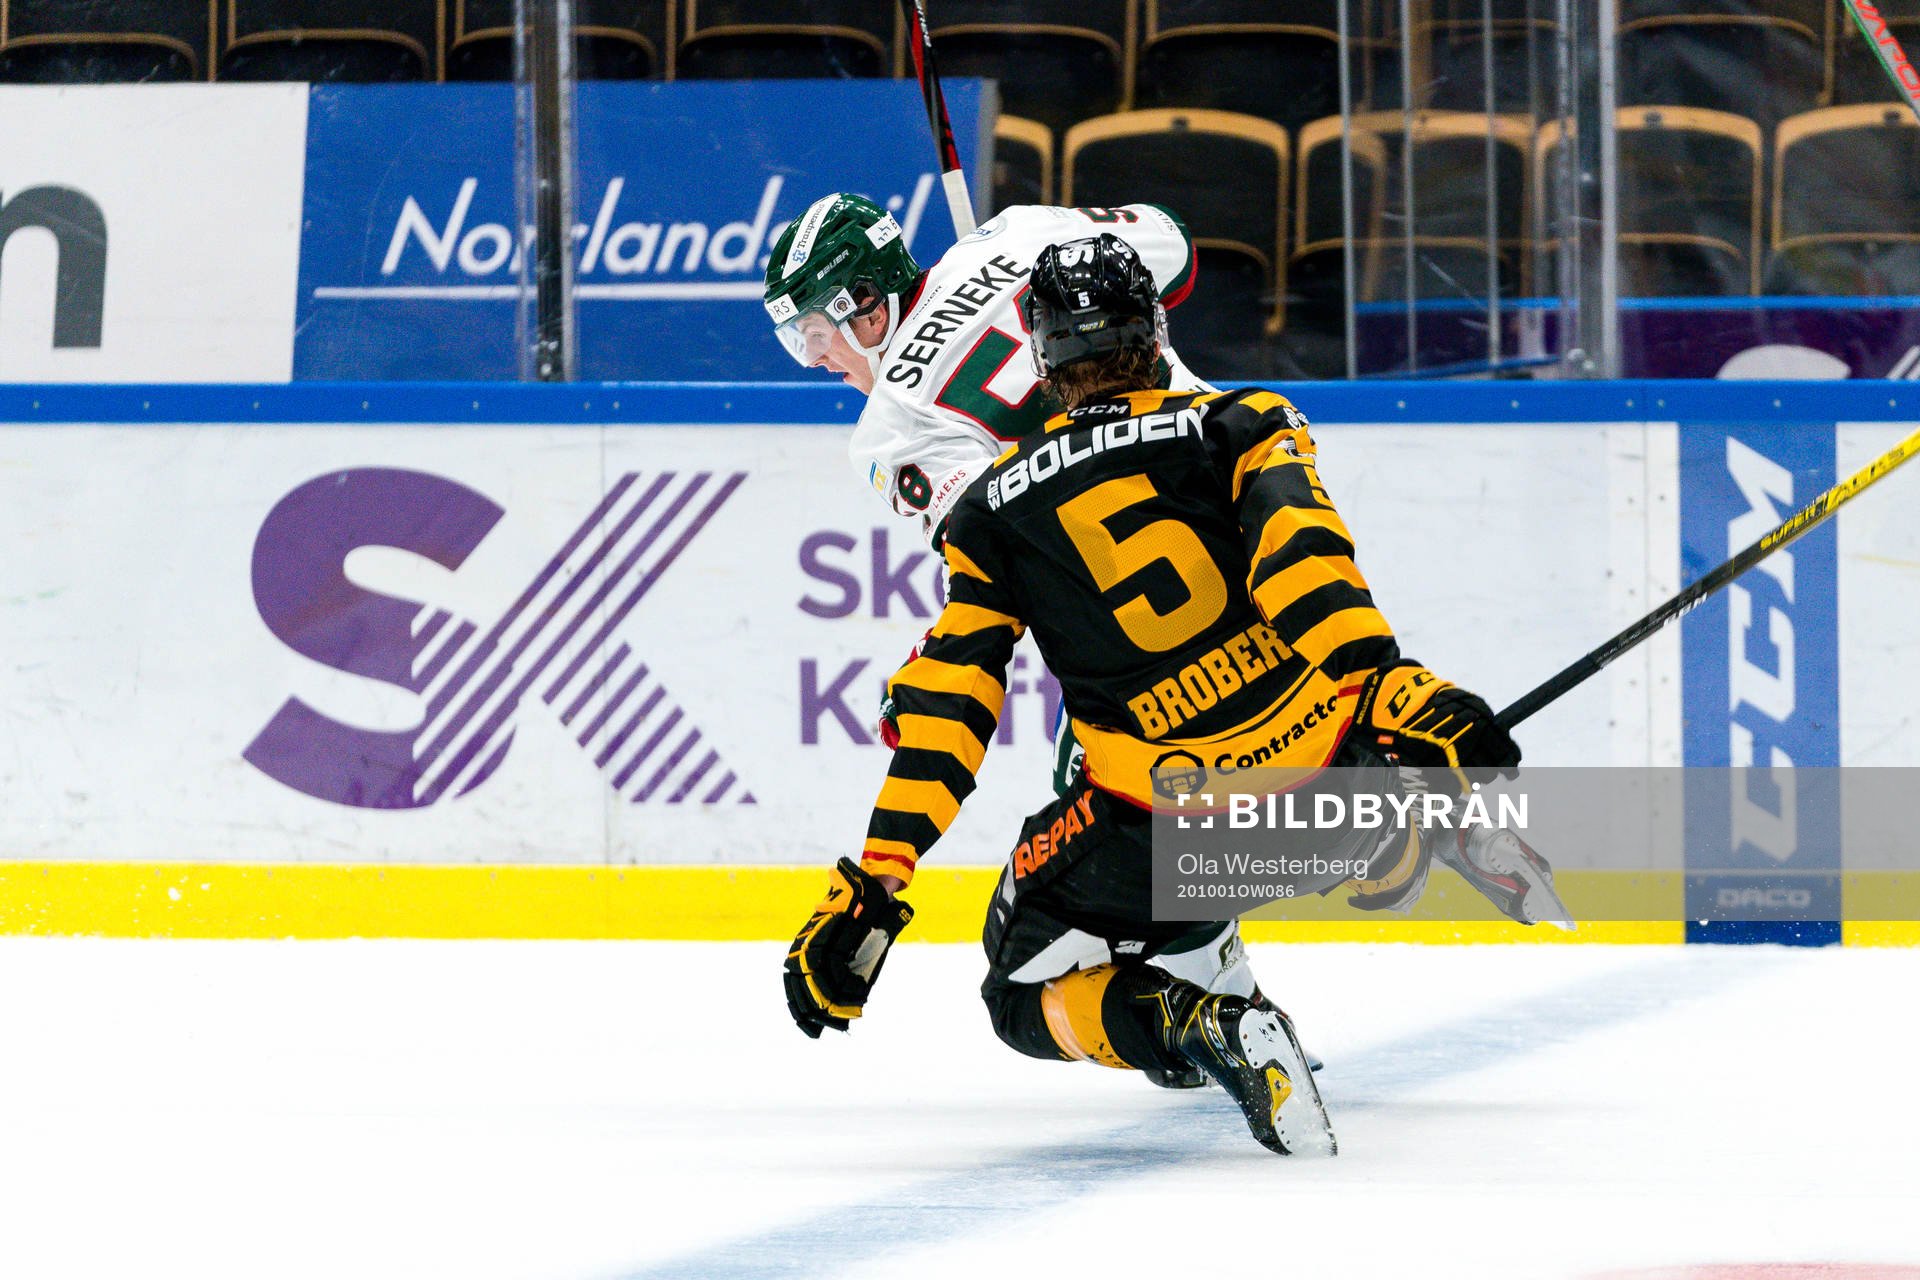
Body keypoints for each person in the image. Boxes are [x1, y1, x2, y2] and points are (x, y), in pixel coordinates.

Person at [782, 234, 1563, 1155]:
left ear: (1042, 355)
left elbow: (951, 712)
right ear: (1155, 329)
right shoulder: (1248, 420)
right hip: (1325, 790)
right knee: (1331, 729)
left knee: (1019, 987)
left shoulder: (991, 514)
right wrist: (1400, 691)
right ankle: (1406, 833)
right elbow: (1307, 578)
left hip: (1174, 835)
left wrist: (878, 878)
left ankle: (1207, 1028)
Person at [764, 193, 1274, 1085]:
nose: (819, 361)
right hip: (1258, 548)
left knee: (1101, 802)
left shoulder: (891, 423)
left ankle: (1206, 1010)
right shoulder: (1020, 229)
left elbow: (1018, 548)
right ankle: (1220, 985)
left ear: (871, 307)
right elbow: (1179, 252)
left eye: (818, 334)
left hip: (1155, 636)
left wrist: (932, 670)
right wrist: (1008, 271)